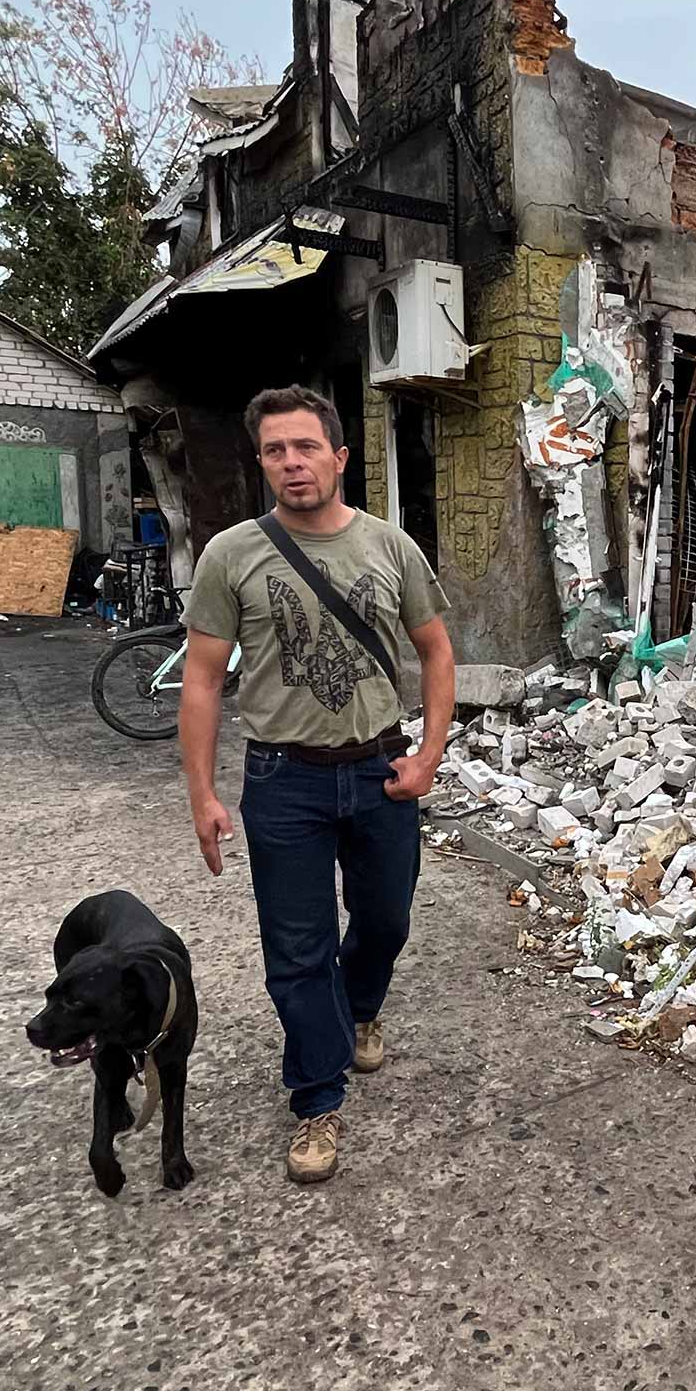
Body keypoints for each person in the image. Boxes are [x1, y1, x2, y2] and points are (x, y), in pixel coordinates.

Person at [178, 385, 455, 1185]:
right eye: (275, 450)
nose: (291, 463)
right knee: (297, 953)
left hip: (379, 770)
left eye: (306, 447)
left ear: (339, 456)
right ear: (262, 461)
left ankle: (359, 1007)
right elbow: (201, 681)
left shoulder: (389, 546)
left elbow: (436, 650)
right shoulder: (232, 553)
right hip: (282, 779)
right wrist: (201, 792)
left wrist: (430, 753)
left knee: (385, 922)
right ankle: (317, 1096)